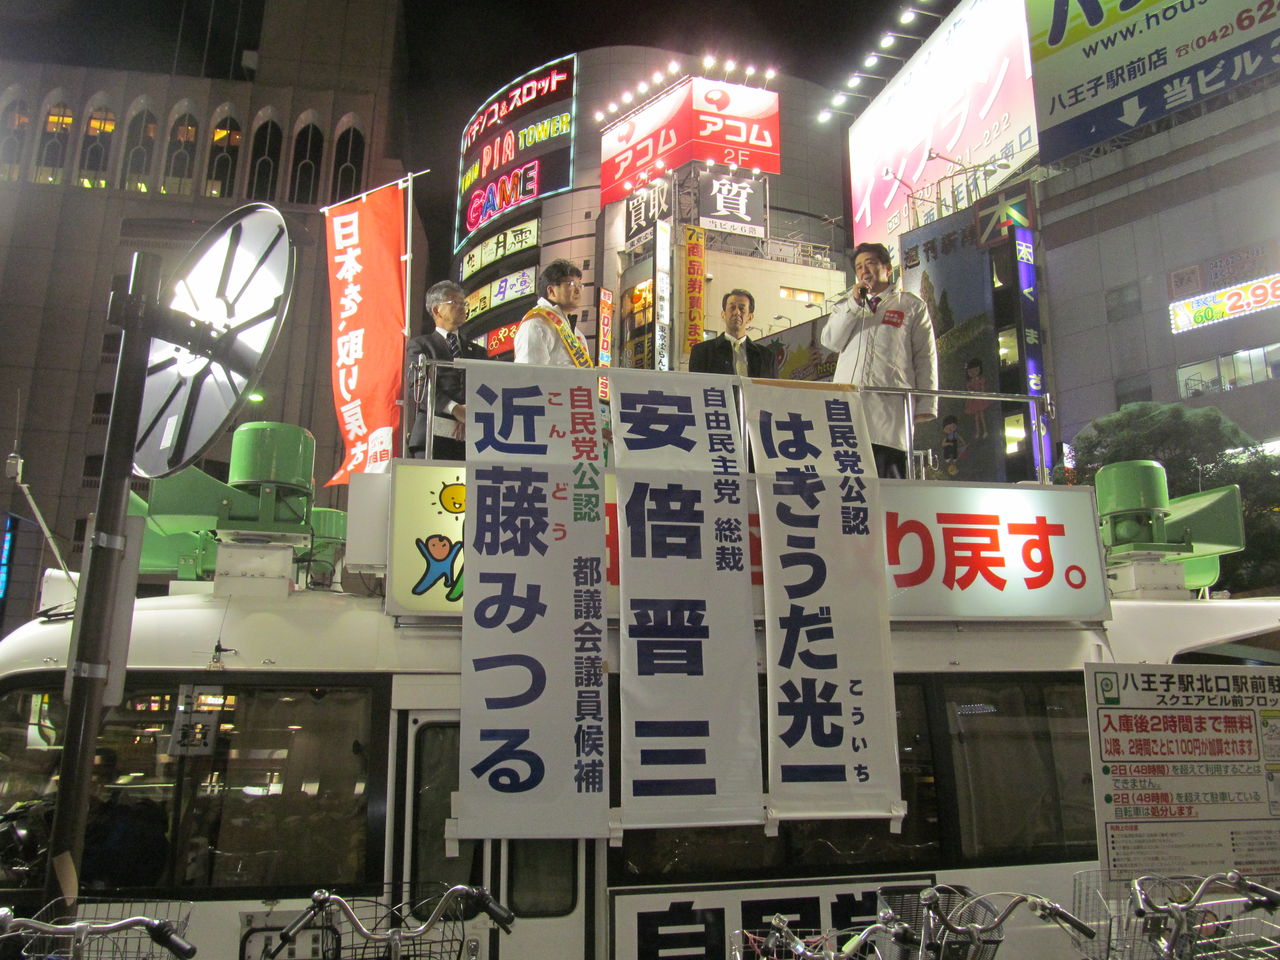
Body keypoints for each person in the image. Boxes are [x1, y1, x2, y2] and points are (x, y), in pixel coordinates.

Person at [820, 241, 938, 479]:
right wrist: (854, 304)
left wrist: (926, 405)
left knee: (889, 480)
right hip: (847, 407)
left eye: (870, 264)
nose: (864, 270)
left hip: (890, 409)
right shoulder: (846, 305)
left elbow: (925, 356)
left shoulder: (910, 305)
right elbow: (830, 341)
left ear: (887, 268)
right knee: (847, 481)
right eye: (858, 267)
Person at [407, 280, 488, 460]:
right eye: (455, 302)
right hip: (431, 437)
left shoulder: (478, 351)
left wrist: (471, 414)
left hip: (472, 438)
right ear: (436, 310)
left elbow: (488, 387)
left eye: (463, 303)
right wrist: (455, 409)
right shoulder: (420, 345)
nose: (462, 307)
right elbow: (418, 387)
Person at [513, 259, 593, 367]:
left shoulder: (575, 331)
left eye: (579, 285)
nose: (578, 290)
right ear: (551, 291)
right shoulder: (536, 323)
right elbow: (529, 373)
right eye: (571, 284)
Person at [688, 289, 777, 377]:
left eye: (742, 309)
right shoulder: (702, 352)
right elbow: (695, 385)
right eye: (732, 307)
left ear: (750, 317)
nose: (737, 312)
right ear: (723, 314)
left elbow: (773, 386)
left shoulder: (767, 357)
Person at [964, 357, 991, 439]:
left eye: (976, 370)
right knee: (976, 417)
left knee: (981, 415)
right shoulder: (970, 382)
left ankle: (985, 431)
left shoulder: (980, 380)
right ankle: (978, 432)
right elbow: (969, 390)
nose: (973, 373)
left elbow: (982, 388)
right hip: (974, 400)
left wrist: (981, 394)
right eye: (970, 371)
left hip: (979, 399)